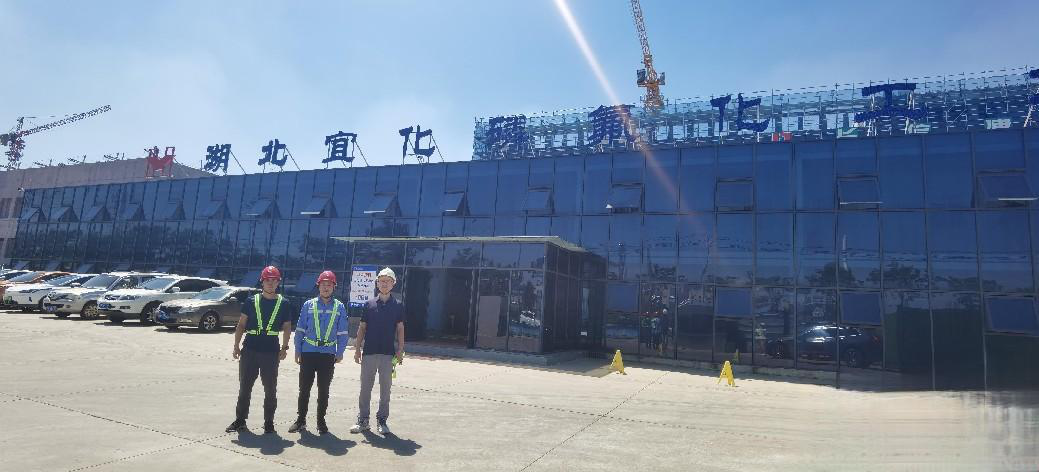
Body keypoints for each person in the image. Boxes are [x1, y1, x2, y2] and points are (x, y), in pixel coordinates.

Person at [225, 266, 293, 434]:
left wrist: (284, 347)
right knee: (245, 387)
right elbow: (241, 324)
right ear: (262, 282)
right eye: (267, 280)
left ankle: (269, 422)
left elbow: (287, 327)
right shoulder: (251, 301)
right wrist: (236, 345)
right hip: (250, 349)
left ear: (278, 283)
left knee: (270, 388)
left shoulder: (284, 303)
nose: (270, 283)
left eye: (274, 280)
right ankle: (240, 420)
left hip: (271, 352)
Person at [287, 271, 348, 435]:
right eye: (323, 284)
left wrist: (340, 352)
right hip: (308, 352)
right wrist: (298, 350)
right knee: (304, 389)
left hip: (328, 354)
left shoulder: (339, 307)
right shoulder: (308, 305)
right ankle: (301, 421)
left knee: (324, 390)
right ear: (318, 286)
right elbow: (300, 329)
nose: (326, 287)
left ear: (334, 287)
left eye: (329, 285)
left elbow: (343, 332)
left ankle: (321, 421)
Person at [350, 267, 405, 435]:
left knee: (385, 390)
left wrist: (400, 350)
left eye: (388, 281)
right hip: (369, 352)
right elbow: (362, 328)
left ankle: (382, 421)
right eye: (381, 281)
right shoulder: (369, 304)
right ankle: (363, 420)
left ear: (393, 284)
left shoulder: (398, 305)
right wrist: (357, 349)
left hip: (388, 354)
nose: (384, 284)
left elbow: (400, 328)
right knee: (365, 389)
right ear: (377, 283)